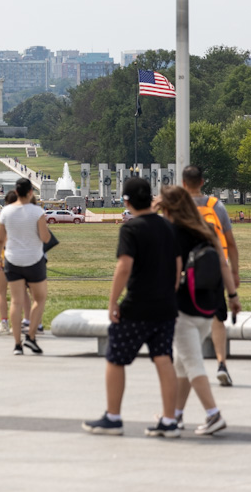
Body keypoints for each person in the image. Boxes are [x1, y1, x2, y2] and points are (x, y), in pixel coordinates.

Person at [83, 177, 181, 437]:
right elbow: (178, 265)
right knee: (164, 358)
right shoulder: (168, 226)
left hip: (138, 305)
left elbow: (124, 266)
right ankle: (170, 420)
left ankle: (113, 417)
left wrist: (113, 300)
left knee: (116, 358)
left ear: (126, 202)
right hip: (165, 306)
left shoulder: (131, 228)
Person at [158, 186, 241, 435]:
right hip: (208, 305)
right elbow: (223, 265)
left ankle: (213, 414)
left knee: (192, 363)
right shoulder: (206, 229)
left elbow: (173, 272)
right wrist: (233, 296)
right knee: (182, 364)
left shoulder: (172, 233)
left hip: (183, 309)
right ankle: (174, 416)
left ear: (169, 209)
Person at [182, 164, 239, 387]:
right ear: (202, 182)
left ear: (183, 183)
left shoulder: (179, 206)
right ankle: (221, 363)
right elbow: (230, 243)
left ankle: (189, 367)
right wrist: (234, 272)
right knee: (217, 317)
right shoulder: (216, 206)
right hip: (214, 266)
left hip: (187, 269)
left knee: (185, 317)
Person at [0, 178, 50, 355]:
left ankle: (17, 344)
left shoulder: (6, 211)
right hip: (34, 260)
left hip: (12, 260)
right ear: (31, 192)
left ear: (16, 192)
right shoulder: (37, 211)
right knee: (39, 299)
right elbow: (45, 237)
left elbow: (0, 239)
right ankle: (31, 336)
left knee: (16, 302)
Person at [0, 190, 32, 336]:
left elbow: (0, 240)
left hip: (6, 260)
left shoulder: (6, 217)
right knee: (22, 293)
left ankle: (4, 323)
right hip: (21, 259)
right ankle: (26, 322)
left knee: (1, 292)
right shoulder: (25, 217)